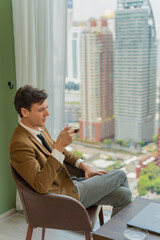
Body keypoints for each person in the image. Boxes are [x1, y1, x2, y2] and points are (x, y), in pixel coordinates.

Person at [10, 85, 132, 217]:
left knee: (124, 195)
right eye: (41, 110)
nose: (47, 114)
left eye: (47, 108)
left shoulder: (40, 129)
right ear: (25, 112)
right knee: (120, 175)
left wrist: (85, 167)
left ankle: (108, 237)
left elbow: (61, 154)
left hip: (70, 184)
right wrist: (59, 146)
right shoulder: (20, 144)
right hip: (60, 199)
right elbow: (41, 185)